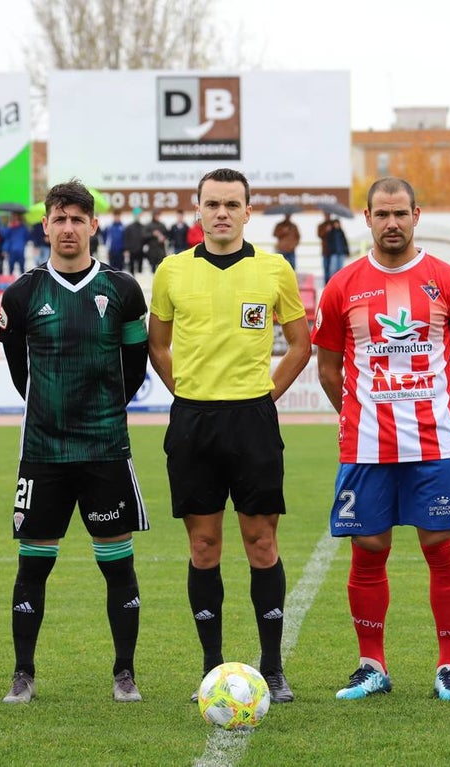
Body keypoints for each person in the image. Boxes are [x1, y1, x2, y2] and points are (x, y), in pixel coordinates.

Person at [311, 177, 450, 702]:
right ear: (366, 218)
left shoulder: (449, 280)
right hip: (366, 448)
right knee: (368, 550)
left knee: (442, 550)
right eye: (381, 214)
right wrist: (357, 417)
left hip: (435, 445)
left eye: (400, 213)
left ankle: (448, 667)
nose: (392, 223)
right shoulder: (342, 285)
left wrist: (439, 408)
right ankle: (371, 665)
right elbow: (328, 368)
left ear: (417, 216)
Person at [147, 168, 312, 705]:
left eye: (231, 204)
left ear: (248, 211)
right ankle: (211, 667)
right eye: (211, 203)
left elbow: (299, 345)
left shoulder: (274, 269)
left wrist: (265, 398)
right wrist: (185, 392)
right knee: (203, 546)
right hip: (194, 421)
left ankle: (273, 666)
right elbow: (158, 345)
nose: (221, 212)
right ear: (197, 210)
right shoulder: (171, 271)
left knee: (261, 543)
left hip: (252, 422)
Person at [0, 181, 150, 705]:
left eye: (77, 219)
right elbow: (20, 370)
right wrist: (51, 408)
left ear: (92, 226)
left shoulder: (124, 290)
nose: (68, 228)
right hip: (42, 452)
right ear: (45, 226)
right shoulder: (21, 294)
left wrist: (101, 409)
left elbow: (135, 369)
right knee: (33, 564)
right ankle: (23, 674)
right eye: (59, 219)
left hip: (106, 449)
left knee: (117, 564)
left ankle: (124, 674)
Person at [321, 217, 350, 285]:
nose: (337, 225)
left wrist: (347, 252)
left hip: (341, 253)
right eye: (335, 223)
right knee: (333, 269)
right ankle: (332, 283)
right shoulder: (331, 232)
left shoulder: (341, 232)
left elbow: (345, 242)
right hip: (333, 253)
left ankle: (340, 282)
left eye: (338, 223)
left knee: (340, 269)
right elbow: (328, 241)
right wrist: (327, 231)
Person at [123, 208, 146, 275]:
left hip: (140, 251)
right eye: (137, 214)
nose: (138, 216)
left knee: (140, 269)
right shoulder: (129, 227)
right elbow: (126, 239)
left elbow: (145, 239)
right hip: (132, 251)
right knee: (131, 269)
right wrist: (126, 249)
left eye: (140, 214)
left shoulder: (143, 227)